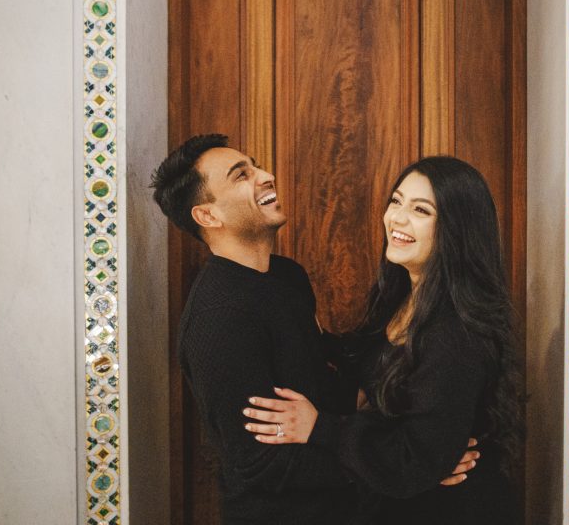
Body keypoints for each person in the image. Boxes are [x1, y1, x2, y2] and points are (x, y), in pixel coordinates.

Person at [151, 136, 476, 525]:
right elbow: (261, 464)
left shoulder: (287, 276)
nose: (266, 176)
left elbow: (324, 386)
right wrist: (407, 471)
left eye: (255, 166)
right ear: (208, 216)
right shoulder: (218, 319)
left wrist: (421, 454)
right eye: (241, 175)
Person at [243, 156, 522, 523]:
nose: (397, 218)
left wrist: (319, 427)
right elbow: (371, 365)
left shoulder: (456, 334)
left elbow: (413, 459)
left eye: (421, 210)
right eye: (396, 201)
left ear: (457, 229)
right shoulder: (403, 296)